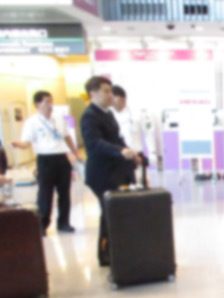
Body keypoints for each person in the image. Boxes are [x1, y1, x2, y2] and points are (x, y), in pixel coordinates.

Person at [81, 76, 140, 266]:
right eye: (105, 91)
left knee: (117, 211)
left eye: (110, 91)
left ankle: (118, 248)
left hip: (115, 171)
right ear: (93, 94)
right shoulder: (89, 116)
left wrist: (131, 152)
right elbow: (96, 143)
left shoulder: (107, 114)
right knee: (108, 211)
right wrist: (119, 151)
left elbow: (117, 139)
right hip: (101, 174)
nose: (110, 95)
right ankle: (104, 253)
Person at [11, 91, 81, 235]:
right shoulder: (32, 122)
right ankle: (42, 225)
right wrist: (17, 144)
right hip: (45, 160)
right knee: (45, 194)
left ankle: (64, 223)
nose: (50, 105)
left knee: (64, 193)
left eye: (51, 101)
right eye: (47, 102)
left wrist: (75, 152)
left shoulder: (58, 118)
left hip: (61, 158)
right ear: (38, 104)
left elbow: (67, 136)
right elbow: (26, 143)